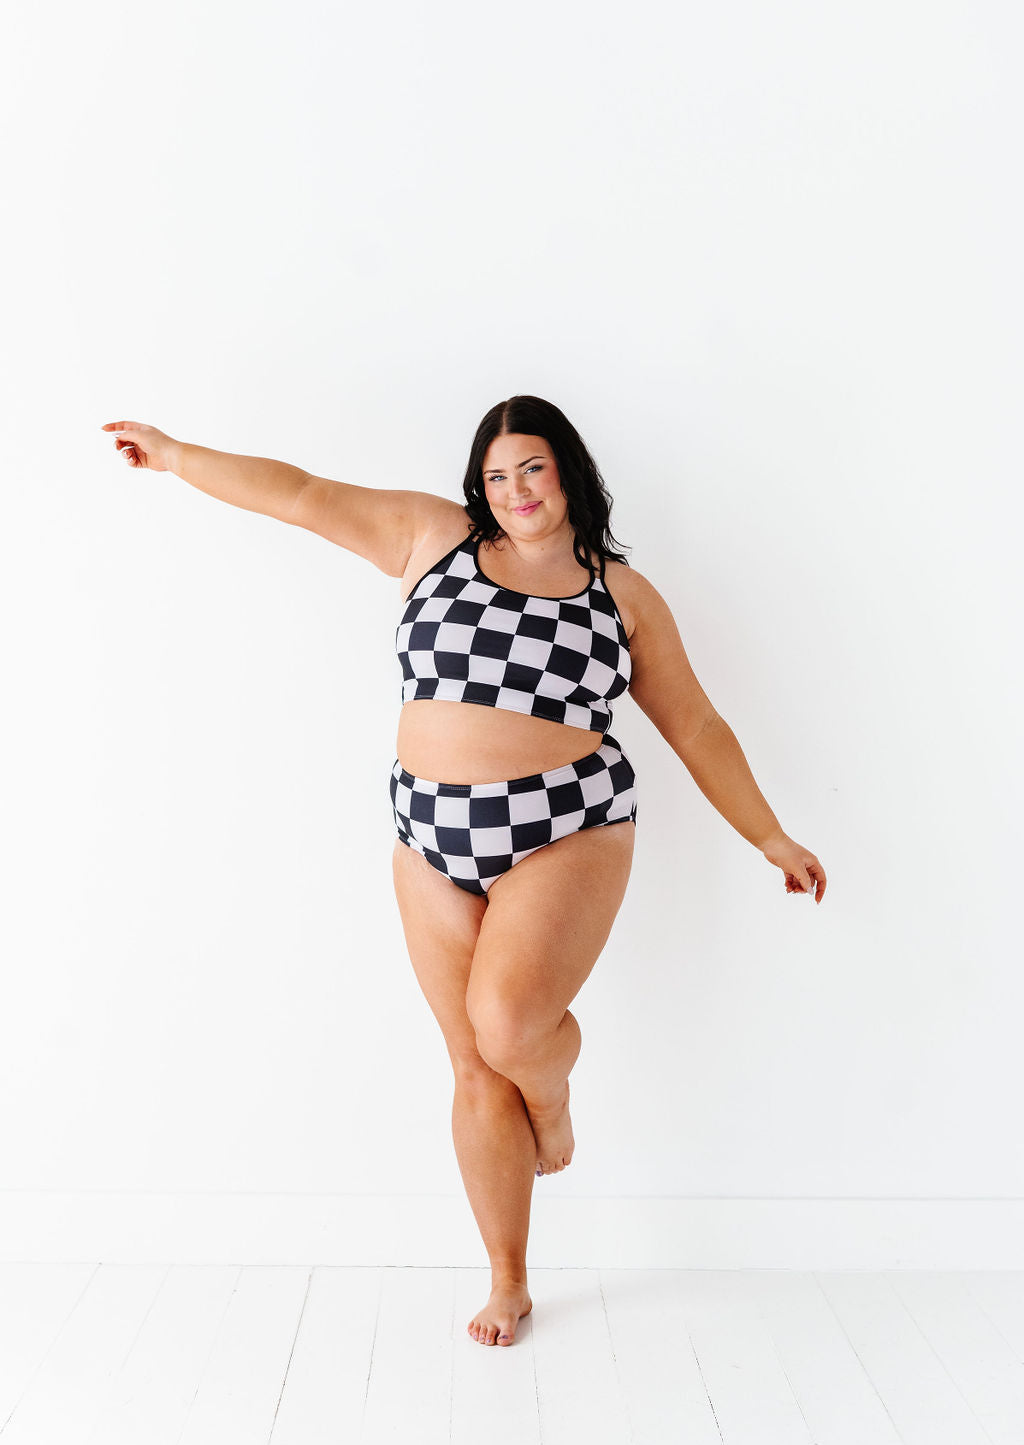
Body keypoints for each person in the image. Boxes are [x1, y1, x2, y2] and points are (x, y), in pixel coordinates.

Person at [101, 395, 827, 1350]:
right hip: (428, 833)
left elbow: (695, 724)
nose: (515, 490)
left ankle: (552, 1098)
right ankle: (509, 1277)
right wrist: (175, 455)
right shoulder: (432, 538)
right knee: (473, 1063)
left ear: (567, 471)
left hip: (566, 825)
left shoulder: (621, 595)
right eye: (496, 475)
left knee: (510, 1025)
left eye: (532, 468)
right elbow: (303, 495)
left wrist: (770, 835)